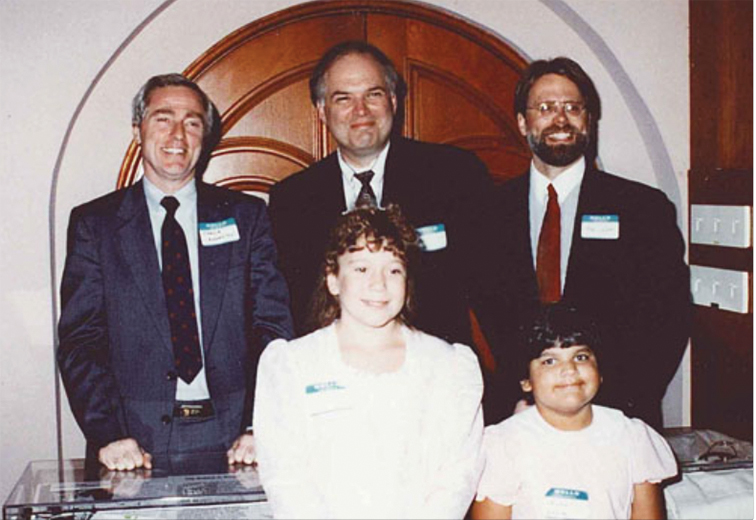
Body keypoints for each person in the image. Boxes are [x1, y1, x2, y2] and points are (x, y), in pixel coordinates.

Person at [57, 73, 293, 471]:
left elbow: (274, 328)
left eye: (193, 122)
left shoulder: (247, 216)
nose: (178, 135)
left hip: (237, 438)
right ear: (138, 130)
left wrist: (259, 423)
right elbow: (81, 341)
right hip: (132, 442)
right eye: (163, 119)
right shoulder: (94, 225)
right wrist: (109, 432)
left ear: (206, 136)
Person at [478, 57, 690, 428]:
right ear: (523, 123)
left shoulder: (642, 209)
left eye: (572, 108)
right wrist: (522, 398)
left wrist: (606, 407)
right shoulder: (488, 213)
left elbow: (667, 320)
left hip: (617, 418)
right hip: (517, 418)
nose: (560, 119)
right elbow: (482, 322)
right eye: (545, 108)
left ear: (587, 121)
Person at [254, 205, 484, 519]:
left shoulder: (448, 366)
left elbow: (457, 477)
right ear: (333, 280)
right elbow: (286, 478)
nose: (379, 284)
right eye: (361, 269)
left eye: (393, 270)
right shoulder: (292, 365)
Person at [268, 40, 492, 348]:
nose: (361, 111)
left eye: (373, 95)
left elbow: (491, 288)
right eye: (343, 98)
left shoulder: (453, 175)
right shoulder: (291, 199)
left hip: (430, 371)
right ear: (322, 111)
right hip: (331, 376)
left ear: (393, 101)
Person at [472, 304, 677, 520]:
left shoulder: (632, 437)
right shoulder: (503, 445)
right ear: (526, 381)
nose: (569, 369)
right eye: (549, 361)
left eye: (580, 357)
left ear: (599, 372)